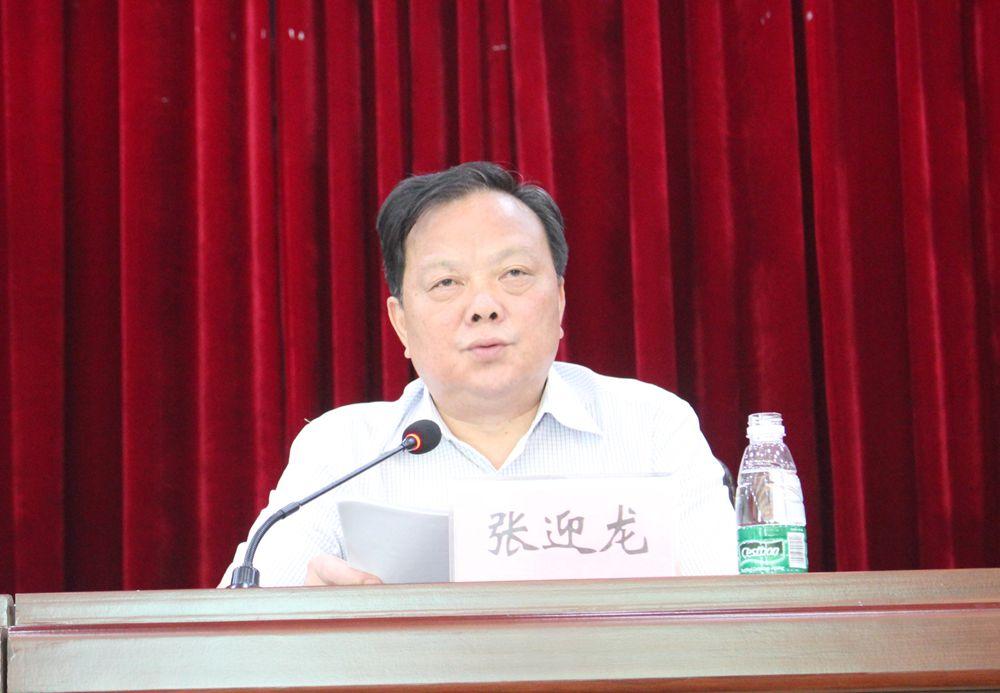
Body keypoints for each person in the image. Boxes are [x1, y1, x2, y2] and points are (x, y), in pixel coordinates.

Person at [221, 162, 736, 587]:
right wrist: (305, 620)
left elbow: (735, 614)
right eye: (447, 282)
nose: (484, 306)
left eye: (514, 274)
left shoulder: (650, 427)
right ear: (401, 324)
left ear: (560, 300)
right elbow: (235, 633)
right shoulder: (343, 450)